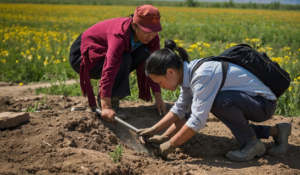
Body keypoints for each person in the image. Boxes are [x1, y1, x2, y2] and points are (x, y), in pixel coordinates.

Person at [137, 39, 292, 162]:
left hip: (263, 104)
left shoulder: (202, 75)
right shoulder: (188, 74)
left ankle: (253, 143)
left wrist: (170, 146)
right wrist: (158, 132)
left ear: (170, 72)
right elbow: (180, 109)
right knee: (213, 104)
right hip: (253, 102)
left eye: (159, 82)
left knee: (218, 102)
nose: (161, 87)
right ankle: (278, 131)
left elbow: (197, 121)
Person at [69, 5, 167, 123]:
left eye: (154, 31)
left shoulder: (152, 38)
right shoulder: (119, 35)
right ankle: (109, 101)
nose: (151, 36)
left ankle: (112, 97)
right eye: (147, 32)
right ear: (135, 26)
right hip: (83, 55)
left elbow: (154, 66)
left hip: (106, 53)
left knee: (144, 54)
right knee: (124, 58)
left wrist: (158, 97)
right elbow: (110, 68)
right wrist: (106, 107)